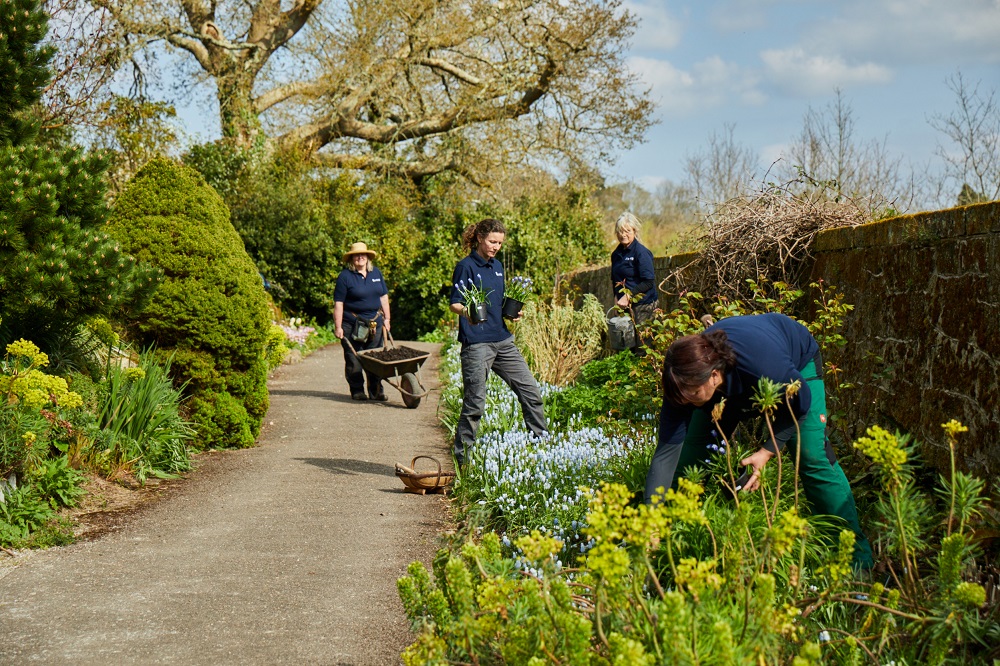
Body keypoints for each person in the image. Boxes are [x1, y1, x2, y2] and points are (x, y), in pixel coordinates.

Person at [648, 312, 874, 568]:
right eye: (681, 396)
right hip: (731, 382)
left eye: (692, 394)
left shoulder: (761, 365)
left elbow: (801, 402)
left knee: (812, 456)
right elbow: (666, 454)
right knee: (691, 454)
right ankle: (670, 542)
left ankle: (856, 559)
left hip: (795, 368)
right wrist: (651, 516)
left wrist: (767, 451)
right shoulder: (683, 381)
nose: (686, 401)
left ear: (713, 375)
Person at [449, 218, 547, 465]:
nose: (496, 247)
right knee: (475, 404)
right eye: (492, 241)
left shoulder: (498, 266)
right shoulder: (466, 266)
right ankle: (463, 463)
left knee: (530, 392)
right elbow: (455, 303)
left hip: (503, 340)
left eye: (500, 243)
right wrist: (468, 311)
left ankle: (542, 449)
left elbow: (498, 301)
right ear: (480, 238)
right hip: (476, 343)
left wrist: (511, 311)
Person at [333, 242, 391, 401]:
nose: (360, 257)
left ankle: (376, 391)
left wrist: (387, 318)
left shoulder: (376, 273)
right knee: (354, 358)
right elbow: (339, 303)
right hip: (352, 324)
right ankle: (357, 390)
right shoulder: (345, 277)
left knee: (375, 358)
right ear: (352, 259)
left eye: (363, 255)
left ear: (367, 257)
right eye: (356, 255)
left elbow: (384, 297)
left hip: (374, 324)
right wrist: (338, 327)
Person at [610, 212, 658, 326]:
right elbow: (615, 281)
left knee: (643, 343)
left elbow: (648, 282)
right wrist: (616, 300)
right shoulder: (615, 255)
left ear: (634, 232)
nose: (623, 234)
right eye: (620, 231)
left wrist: (628, 296)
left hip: (644, 307)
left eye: (628, 231)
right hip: (624, 307)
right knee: (625, 342)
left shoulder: (641, 253)